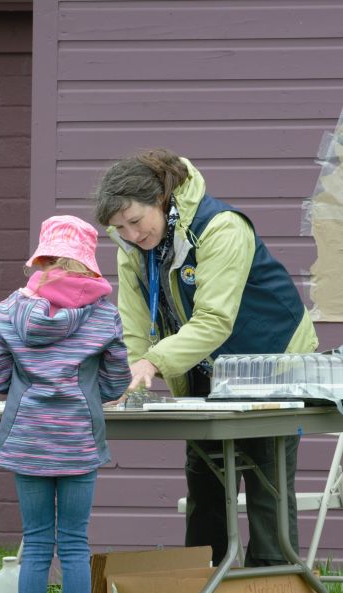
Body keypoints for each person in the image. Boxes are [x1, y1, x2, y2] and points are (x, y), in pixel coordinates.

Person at [93, 148, 318, 567]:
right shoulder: (132, 250)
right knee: (205, 481)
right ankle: (202, 583)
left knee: (266, 478)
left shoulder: (221, 228)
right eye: (119, 228)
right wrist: (128, 372)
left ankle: (272, 588)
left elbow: (215, 320)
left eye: (136, 222)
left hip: (271, 360)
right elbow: (133, 325)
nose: (131, 235)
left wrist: (153, 363)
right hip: (204, 366)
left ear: (160, 199)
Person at [0, 215, 130, 593]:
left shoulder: (7, 310)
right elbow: (116, 379)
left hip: (28, 439)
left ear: (41, 260)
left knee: (37, 541)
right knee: (74, 543)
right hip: (78, 440)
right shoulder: (103, 312)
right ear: (88, 264)